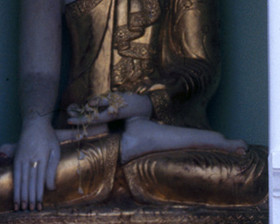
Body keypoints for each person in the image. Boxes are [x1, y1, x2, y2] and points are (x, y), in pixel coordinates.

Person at [0, 0, 265, 212]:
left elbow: (200, 67)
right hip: (84, 142)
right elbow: (39, 74)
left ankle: (129, 143)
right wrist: (36, 125)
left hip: (165, 145)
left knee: (253, 172)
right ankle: (125, 144)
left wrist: (146, 103)